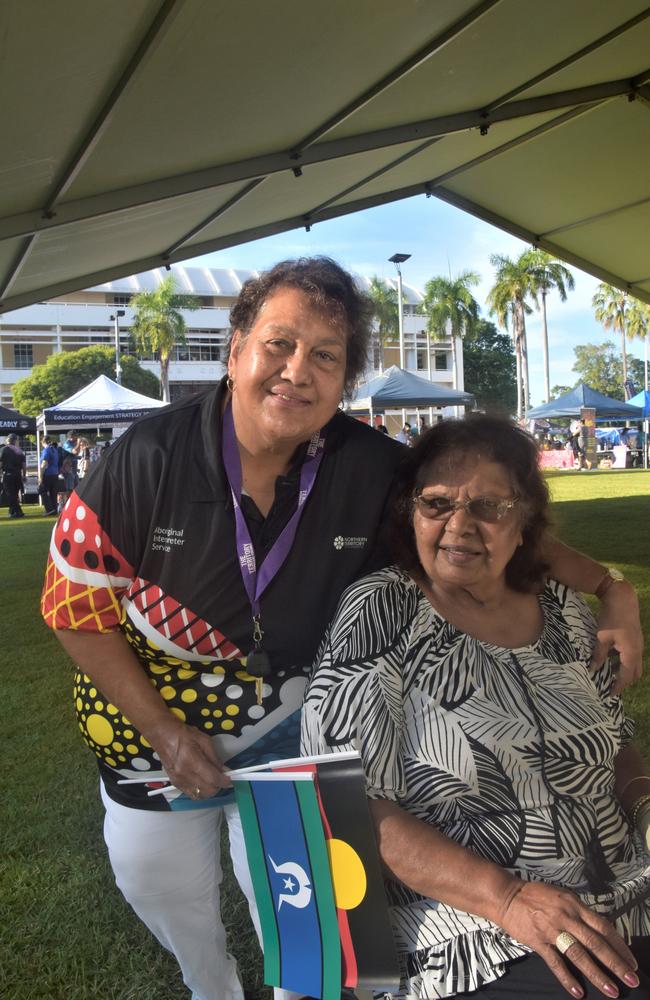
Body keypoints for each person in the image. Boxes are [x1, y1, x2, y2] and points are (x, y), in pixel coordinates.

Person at [41, 259, 643, 1000]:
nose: (297, 371)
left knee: (310, 945)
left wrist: (610, 588)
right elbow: (75, 611)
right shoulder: (143, 460)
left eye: (325, 356)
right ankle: (212, 987)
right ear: (236, 350)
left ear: (344, 382)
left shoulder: (364, 465)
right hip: (145, 743)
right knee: (169, 897)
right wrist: (165, 732)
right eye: (279, 344)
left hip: (288, 734)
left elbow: (490, 513)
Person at [302, 415, 650, 1000]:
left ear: (525, 527)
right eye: (436, 504)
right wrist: (508, 899)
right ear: (409, 514)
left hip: (627, 888)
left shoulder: (565, 611)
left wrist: (645, 802)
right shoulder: (381, 611)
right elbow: (343, 801)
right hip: (476, 927)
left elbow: (615, 744)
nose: (459, 525)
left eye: (489, 508)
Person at [1, 432, 26, 518]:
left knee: (10, 494)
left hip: (8, 475)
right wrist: (24, 475)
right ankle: (13, 511)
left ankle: (17, 512)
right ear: (15, 441)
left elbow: (0, 463)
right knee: (14, 494)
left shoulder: (4, 449)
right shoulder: (19, 451)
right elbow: (24, 465)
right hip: (18, 475)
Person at [39, 435, 60, 515]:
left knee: (42, 490)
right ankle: (54, 509)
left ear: (42, 442)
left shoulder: (46, 450)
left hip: (48, 474)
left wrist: (40, 475)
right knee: (53, 493)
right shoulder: (54, 449)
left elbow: (44, 463)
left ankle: (49, 509)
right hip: (55, 473)